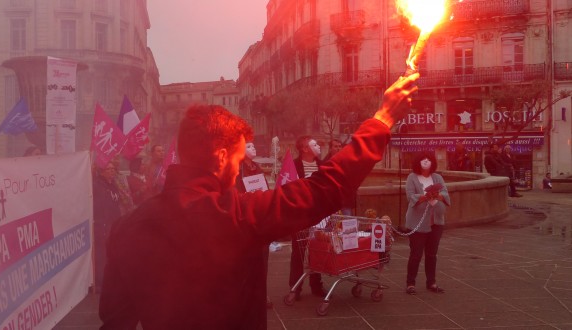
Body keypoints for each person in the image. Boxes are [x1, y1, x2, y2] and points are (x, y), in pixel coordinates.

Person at [99, 72, 419, 329]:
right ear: (222, 158)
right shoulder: (237, 216)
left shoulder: (126, 228)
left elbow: (115, 322)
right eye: (239, 159)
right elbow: (324, 189)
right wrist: (382, 120)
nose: (240, 167)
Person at [287, 135, 328, 299]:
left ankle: (316, 285)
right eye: (314, 144)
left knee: (317, 251)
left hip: (319, 214)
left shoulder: (322, 165)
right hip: (300, 215)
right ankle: (295, 288)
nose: (318, 146)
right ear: (304, 149)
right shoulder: (294, 166)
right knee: (298, 252)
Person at [404, 152, 450, 295]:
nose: (426, 162)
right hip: (417, 222)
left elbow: (446, 194)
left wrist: (438, 195)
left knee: (432, 254)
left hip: (436, 221)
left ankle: (432, 282)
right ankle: (410, 283)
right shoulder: (412, 177)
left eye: (428, 159)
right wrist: (424, 197)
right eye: (423, 159)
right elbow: (410, 196)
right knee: (416, 254)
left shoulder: (437, 177)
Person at [234, 142, 273, 308]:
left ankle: (262, 294)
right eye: (248, 146)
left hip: (259, 214)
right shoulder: (237, 169)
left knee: (263, 258)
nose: (254, 148)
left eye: (253, 146)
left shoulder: (256, 167)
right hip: (244, 217)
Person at [92, 160, 123, 294]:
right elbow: (100, 206)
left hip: (113, 223)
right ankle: (100, 280)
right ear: (102, 172)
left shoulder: (113, 185)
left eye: (113, 169)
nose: (112, 171)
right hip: (103, 224)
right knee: (101, 253)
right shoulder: (98, 186)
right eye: (108, 169)